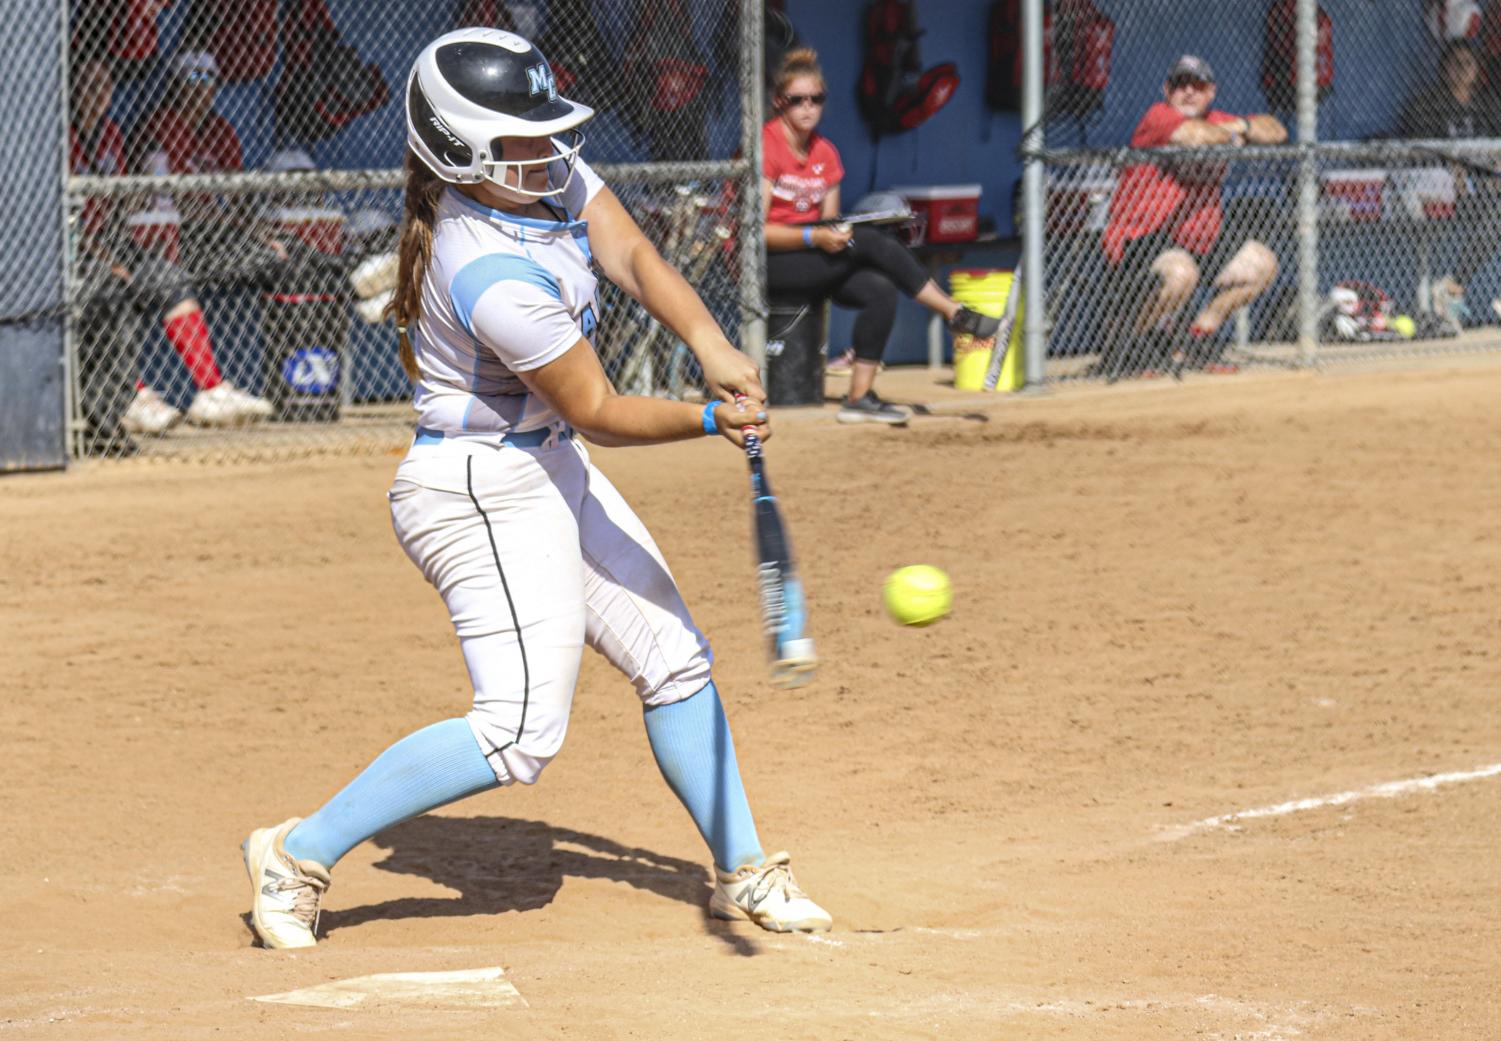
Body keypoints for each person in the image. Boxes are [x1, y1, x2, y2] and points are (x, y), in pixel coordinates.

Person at [241, 28, 832, 949]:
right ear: (463, 150)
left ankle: (742, 869)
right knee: (517, 728)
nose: (550, 147)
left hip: (544, 461)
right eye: (520, 134)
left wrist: (711, 345)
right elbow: (594, 407)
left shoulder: (538, 171)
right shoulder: (485, 271)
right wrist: (709, 419)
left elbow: (632, 253)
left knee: (673, 657)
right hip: (477, 487)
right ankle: (295, 850)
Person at [762, 48, 999, 425]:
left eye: (816, 99)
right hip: (770, 263)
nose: (808, 108)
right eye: (797, 101)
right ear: (779, 103)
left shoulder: (826, 152)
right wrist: (817, 239)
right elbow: (757, 233)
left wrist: (832, 236)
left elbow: (829, 221)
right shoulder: (767, 146)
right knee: (870, 241)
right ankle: (953, 312)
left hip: (812, 258)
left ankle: (858, 397)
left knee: (880, 288)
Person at [69, 49, 265, 436]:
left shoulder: (110, 132)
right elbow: (69, 222)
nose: (98, 94)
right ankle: (132, 395)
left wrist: (133, 215)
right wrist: (110, 259)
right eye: (89, 86)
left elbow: (116, 206)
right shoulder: (63, 135)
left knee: (167, 278)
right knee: (113, 288)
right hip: (72, 251)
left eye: (104, 86)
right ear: (74, 89)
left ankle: (211, 389)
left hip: (109, 242)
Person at [1100, 55, 1287, 377]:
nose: (1188, 92)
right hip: (1142, 239)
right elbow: (1194, 136)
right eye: (1179, 85)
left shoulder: (1218, 118)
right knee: (1181, 273)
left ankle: (1196, 338)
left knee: (1262, 264)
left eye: (1197, 85)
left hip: (1199, 241)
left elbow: (1276, 130)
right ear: (1166, 90)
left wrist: (1242, 125)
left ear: (1211, 91)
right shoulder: (1158, 116)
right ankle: (1127, 342)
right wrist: (1232, 136)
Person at [129, 49, 277, 426]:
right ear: (177, 86)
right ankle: (211, 390)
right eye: (192, 79)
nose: (202, 88)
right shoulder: (162, 123)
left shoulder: (221, 129)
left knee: (276, 258)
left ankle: (290, 388)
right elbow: (170, 201)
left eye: (208, 79)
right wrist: (223, 217)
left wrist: (255, 231)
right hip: (184, 235)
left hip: (220, 232)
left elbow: (238, 199)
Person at [1396, 39, 1501, 325]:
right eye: (1455, 63)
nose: (1461, 70)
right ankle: (1453, 287)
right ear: (1443, 69)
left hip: (1485, 191)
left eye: (1468, 64)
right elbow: (1420, 151)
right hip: (1442, 191)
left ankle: (1453, 286)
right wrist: (1452, 168)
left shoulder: (1489, 105)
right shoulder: (1428, 104)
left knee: (1498, 210)